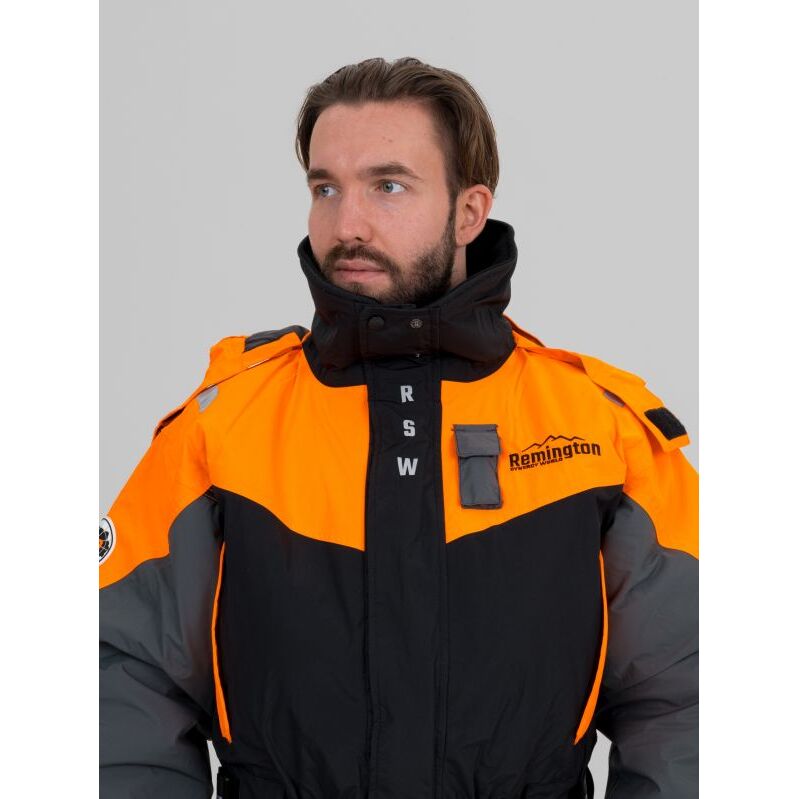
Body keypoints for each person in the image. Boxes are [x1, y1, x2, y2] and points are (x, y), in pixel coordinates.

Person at [99, 57, 698, 799]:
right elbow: (118, 679)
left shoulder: (602, 429)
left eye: (388, 186)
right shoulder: (222, 428)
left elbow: (692, 694)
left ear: (468, 212)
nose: (346, 225)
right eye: (325, 188)